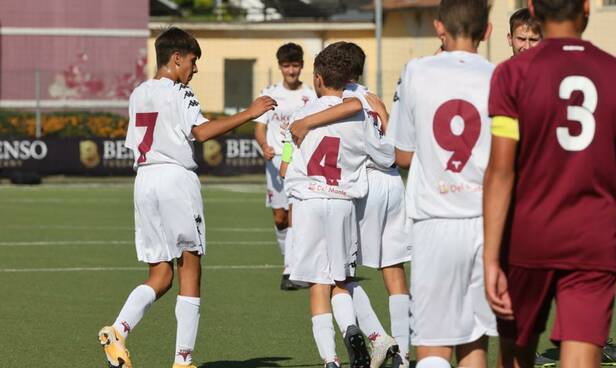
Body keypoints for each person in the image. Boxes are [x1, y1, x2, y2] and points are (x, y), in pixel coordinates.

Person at [97, 27, 276, 368]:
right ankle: (183, 360)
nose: (194, 69)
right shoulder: (180, 91)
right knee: (190, 268)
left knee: (160, 274)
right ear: (176, 58)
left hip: (145, 181)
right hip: (176, 180)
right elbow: (202, 132)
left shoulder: (138, 93)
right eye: (192, 61)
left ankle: (118, 330)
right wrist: (251, 112)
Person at [484, 0, 616, 367]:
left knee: (516, 353)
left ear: (532, 8)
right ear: (586, 8)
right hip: (592, 237)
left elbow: (501, 171)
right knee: (582, 355)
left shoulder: (512, 73)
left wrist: (492, 255)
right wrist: (596, 216)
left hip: (528, 235)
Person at [289, 42, 411, 368]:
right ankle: (378, 339)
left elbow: (292, 149)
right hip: (345, 199)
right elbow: (387, 155)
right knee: (344, 279)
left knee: (320, 284)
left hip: (310, 200)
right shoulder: (361, 113)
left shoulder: (303, 113)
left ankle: (331, 359)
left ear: (317, 78)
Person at [389, 1, 498, 367]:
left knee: (433, 345)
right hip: (487, 223)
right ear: (488, 31)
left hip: (434, 221)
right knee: (475, 340)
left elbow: (402, 154)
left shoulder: (417, 71)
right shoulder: (500, 76)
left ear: (439, 28)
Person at [254, 43, 317, 290]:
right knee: (280, 218)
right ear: (280, 67)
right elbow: (259, 127)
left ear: (302, 66)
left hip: (297, 160)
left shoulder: (311, 95)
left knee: (295, 214)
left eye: (295, 65)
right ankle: (289, 258)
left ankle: (291, 269)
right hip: (275, 162)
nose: (291, 71)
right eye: (286, 66)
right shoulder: (269, 93)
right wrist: (263, 145)